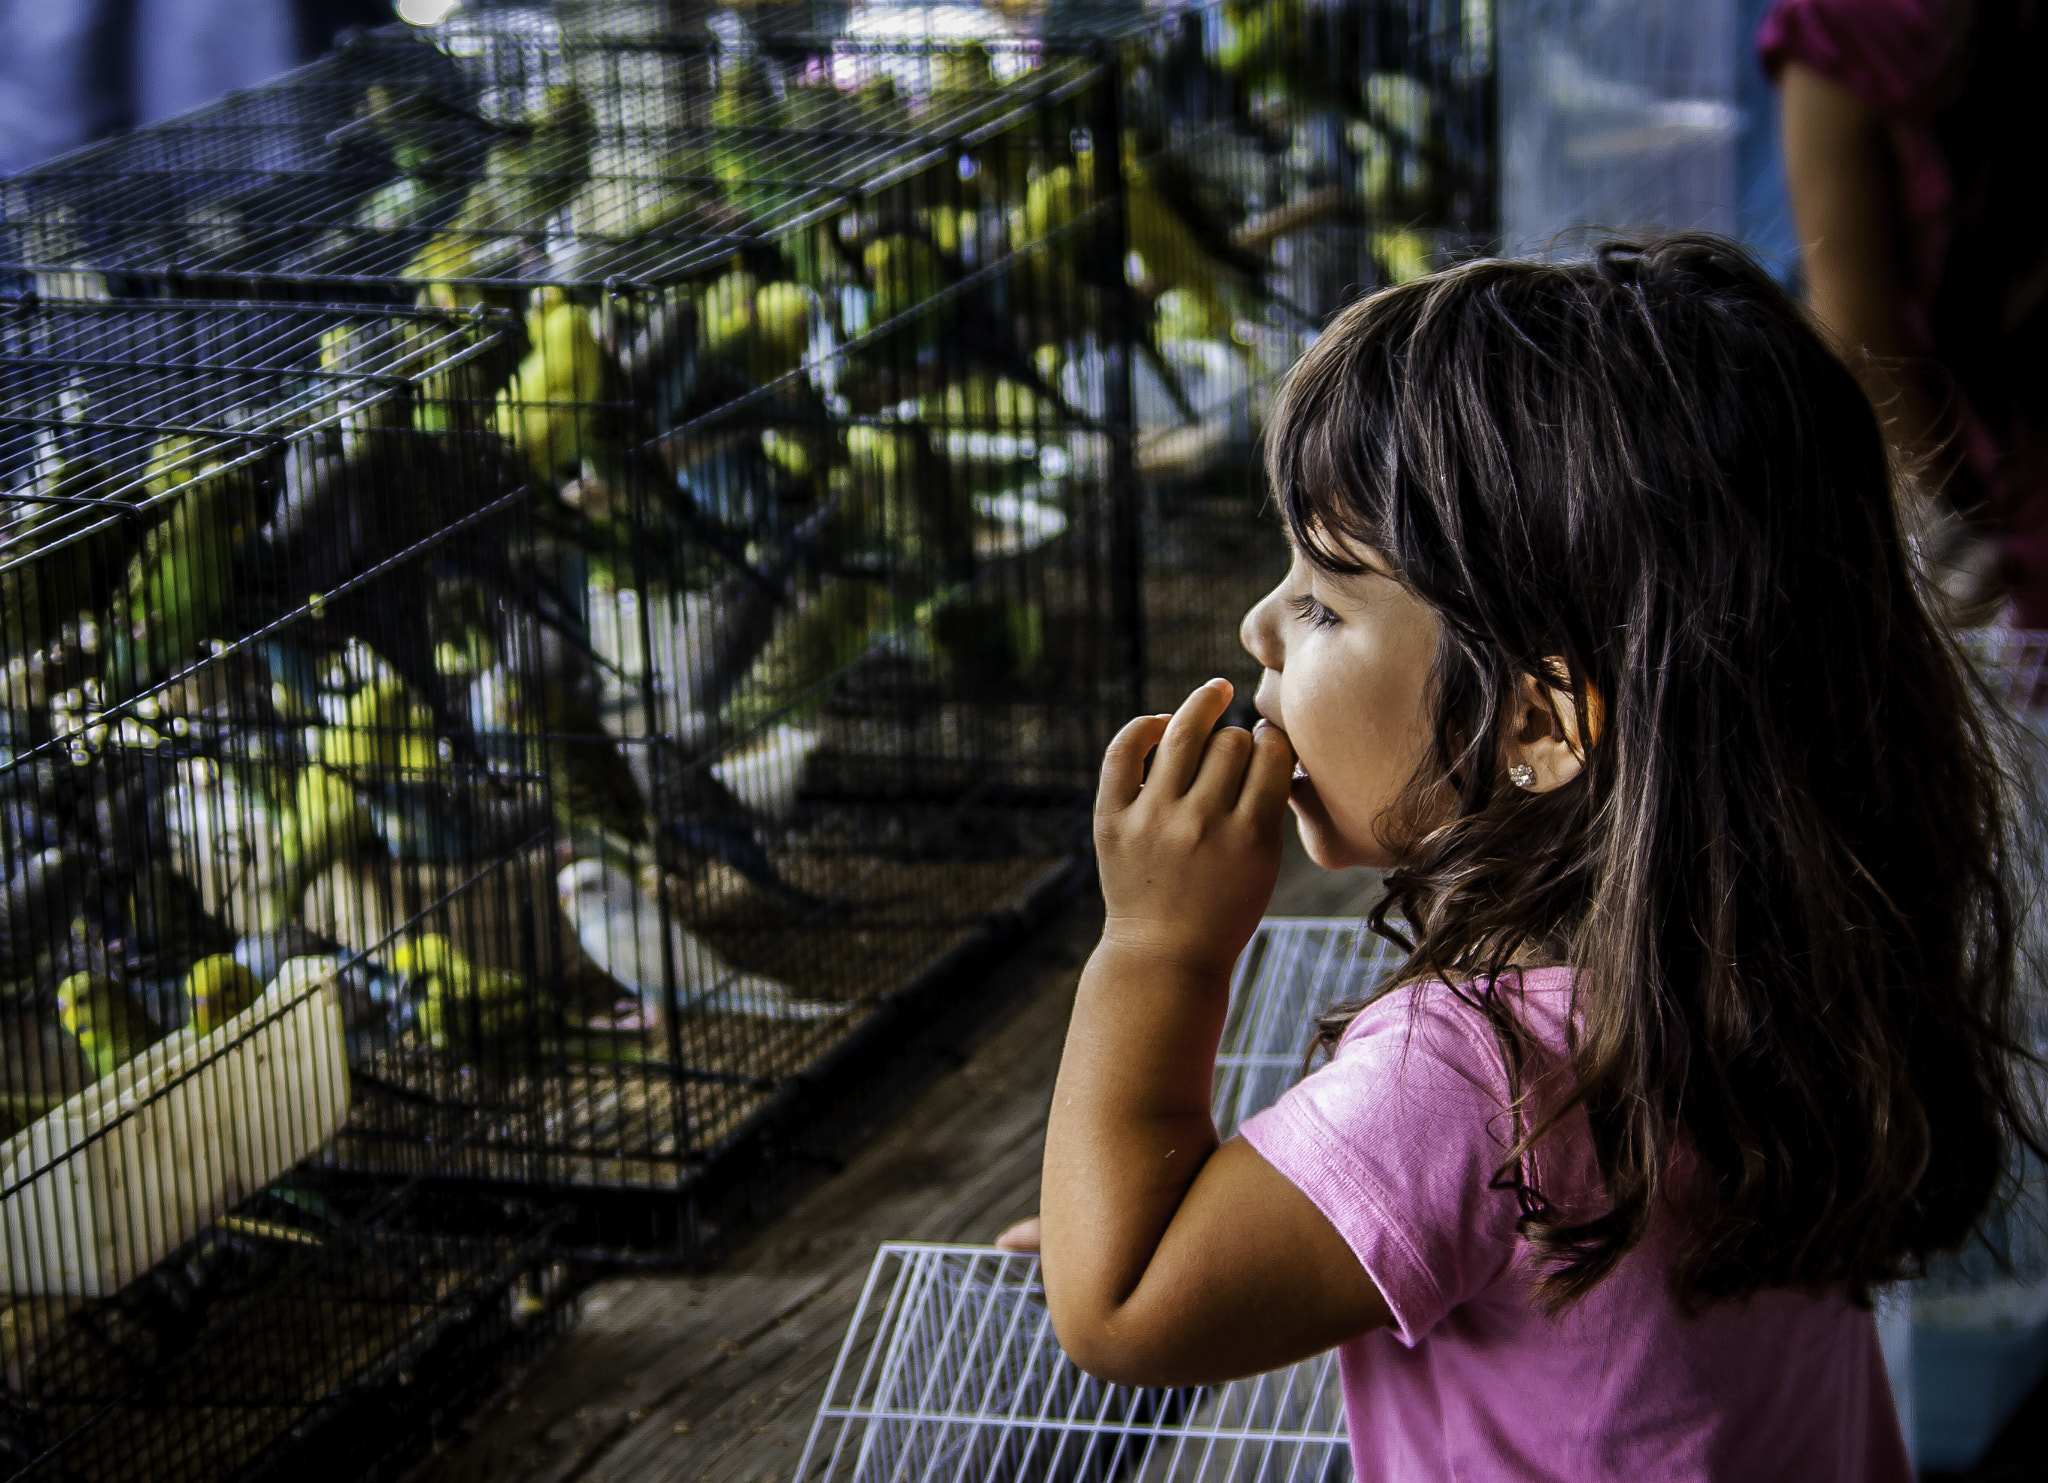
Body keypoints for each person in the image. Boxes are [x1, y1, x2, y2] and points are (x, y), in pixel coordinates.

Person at [1006, 236, 2041, 1480]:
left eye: (1326, 601)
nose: (1257, 626)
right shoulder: (1756, 957)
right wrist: (1238, 1214)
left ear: (1538, 725)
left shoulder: (1469, 1076)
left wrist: (1158, 946)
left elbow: (1121, 1303)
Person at [1762, 0, 2048, 625]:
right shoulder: (1851, 28)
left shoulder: (1846, 26)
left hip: (2005, 565)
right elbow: (1859, 344)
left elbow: (1859, 342)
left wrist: (1939, 545)